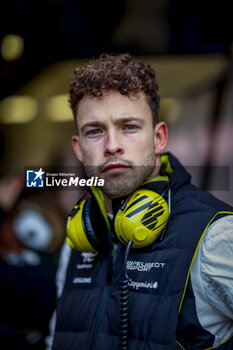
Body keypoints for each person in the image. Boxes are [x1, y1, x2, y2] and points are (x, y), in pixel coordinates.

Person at [51, 53, 233, 350]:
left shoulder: (215, 234)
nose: (112, 145)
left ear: (159, 137)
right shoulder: (78, 239)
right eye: (94, 131)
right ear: (79, 148)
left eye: (129, 127)